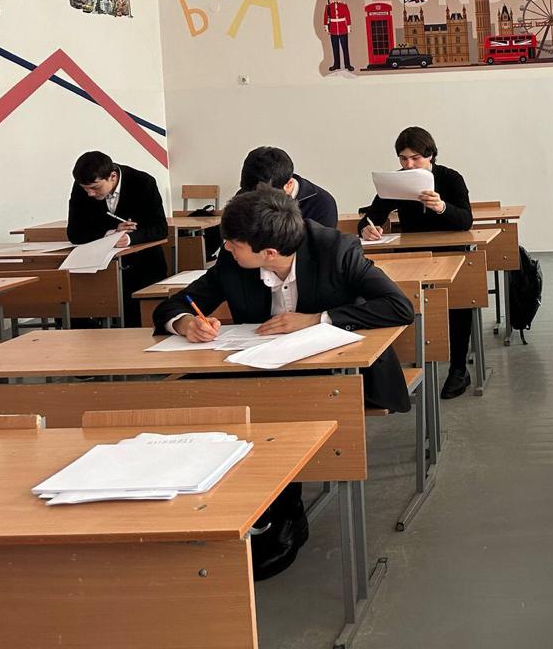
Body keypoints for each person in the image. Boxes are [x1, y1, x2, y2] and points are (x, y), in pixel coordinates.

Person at [153, 187, 414, 580]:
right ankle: (254, 501)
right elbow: (174, 305)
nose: (226, 248)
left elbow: (398, 307)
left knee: (279, 406)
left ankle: (284, 509)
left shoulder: (336, 250)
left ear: (269, 252)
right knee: (205, 395)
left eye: (234, 244)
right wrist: (186, 323)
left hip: (332, 371)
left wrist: (316, 319)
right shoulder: (232, 261)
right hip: (259, 369)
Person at [358, 126, 476, 398]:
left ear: (430, 155)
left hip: (450, 252)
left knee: (458, 303)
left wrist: (441, 207)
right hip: (412, 255)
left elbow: (466, 220)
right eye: (403, 159)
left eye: (415, 158)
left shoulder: (450, 178)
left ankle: (459, 369)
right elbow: (371, 216)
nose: (409, 165)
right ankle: (409, 365)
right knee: (403, 302)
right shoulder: (397, 182)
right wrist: (367, 228)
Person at [66, 150, 167, 326]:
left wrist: (129, 239)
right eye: (85, 189)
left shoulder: (143, 182)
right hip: (100, 268)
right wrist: (110, 234)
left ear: (112, 176)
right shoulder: (83, 186)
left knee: (134, 319)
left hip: (143, 266)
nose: (90, 194)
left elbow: (160, 229)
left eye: (95, 188)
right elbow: (74, 233)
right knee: (77, 303)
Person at [238, 146, 339, 228]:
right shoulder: (245, 195)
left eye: (263, 196)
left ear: (289, 184)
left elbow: (321, 246)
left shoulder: (323, 205)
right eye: (250, 193)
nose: (254, 200)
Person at [324, 0, 354, 72]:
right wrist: (327, 27)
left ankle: (347, 64)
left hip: (342, 28)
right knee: (335, 48)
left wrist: (348, 27)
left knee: (345, 48)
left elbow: (347, 16)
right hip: (333, 29)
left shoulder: (343, 5)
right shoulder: (328, 6)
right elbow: (326, 16)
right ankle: (336, 64)